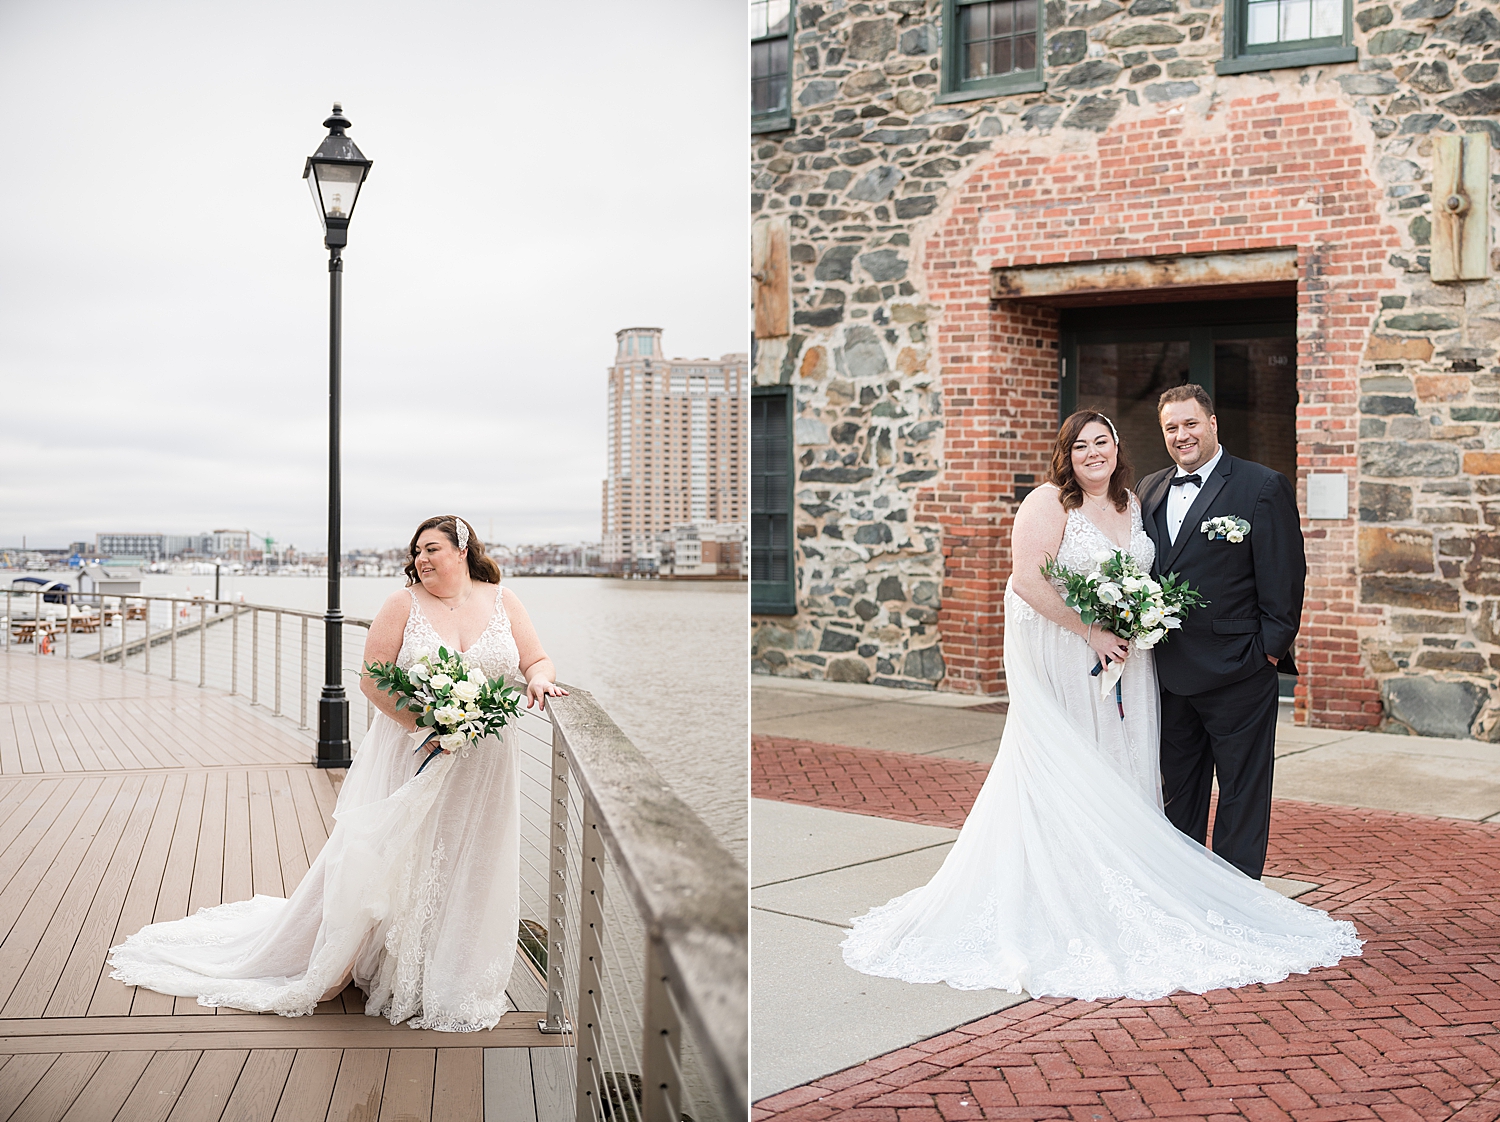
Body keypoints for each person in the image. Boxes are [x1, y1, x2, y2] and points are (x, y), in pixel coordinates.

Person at [841, 414, 1359, 1001]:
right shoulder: (1052, 501)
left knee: (1131, 768)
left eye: (1103, 441)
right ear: (1067, 453)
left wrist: (1262, 648)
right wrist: (1090, 630)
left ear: (1119, 447)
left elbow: (1244, 575)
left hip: (1143, 666)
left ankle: (1197, 892)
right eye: (1081, 445)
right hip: (1071, 659)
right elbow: (1026, 582)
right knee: (1078, 771)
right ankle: (1082, 895)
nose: (1093, 452)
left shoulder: (1138, 502)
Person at [109, 515, 567, 1030]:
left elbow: (537, 659)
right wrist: (432, 723)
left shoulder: (504, 600)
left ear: (463, 551)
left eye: (432, 549)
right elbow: (374, 680)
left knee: (472, 857)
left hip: (486, 761)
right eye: (416, 551)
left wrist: (540, 682)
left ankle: (452, 971)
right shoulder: (403, 603)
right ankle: (390, 962)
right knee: (405, 855)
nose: (421, 559)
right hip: (415, 750)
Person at [1136, 384, 1303, 879]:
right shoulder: (1149, 488)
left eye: (1190, 424)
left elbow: (1285, 578)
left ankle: (1238, 902)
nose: (1181, 435)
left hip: (1239, 672)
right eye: (1171, 428)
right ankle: (1186, 892)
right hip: (1167, 673)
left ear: (1212, 424)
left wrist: (1266, 654)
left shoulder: (1262, 486)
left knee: (1241, 793)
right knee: (1177, 792)